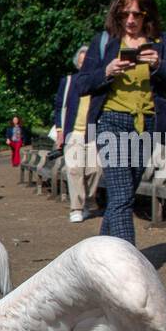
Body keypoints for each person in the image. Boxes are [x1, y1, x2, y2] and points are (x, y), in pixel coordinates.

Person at [78, 0, 166, 244]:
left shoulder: (161, 41)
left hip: (146, 125)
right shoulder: (104, 42)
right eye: (125, 14)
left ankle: (100, 256)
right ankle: (130, 266)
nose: (131, 20)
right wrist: (107, 71)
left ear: (147, 13)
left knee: (121, 197)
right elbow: (81, 84)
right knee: (122, 195)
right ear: (117, 13)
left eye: (137, 14)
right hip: (111, 122)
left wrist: (159, 65)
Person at [53, 45, 101, 223]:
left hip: (94, 132)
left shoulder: (99, 82)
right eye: (82, 63)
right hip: (72, 132)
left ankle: (88, 200)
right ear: (77, 64)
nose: (85, 66)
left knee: (95, 169)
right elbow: (59, 107)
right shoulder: (69, 82)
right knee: (74, 169)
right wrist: (59, 131)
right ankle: (76, 207)